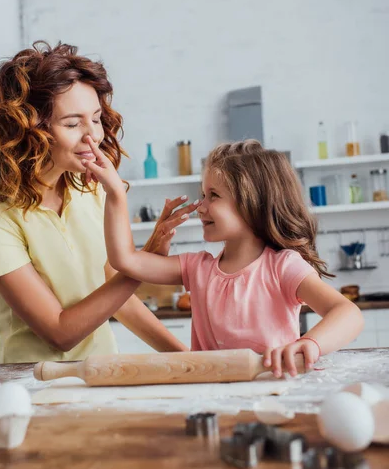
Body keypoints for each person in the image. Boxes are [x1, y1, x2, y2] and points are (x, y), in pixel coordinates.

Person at [82, 137, 365, 377]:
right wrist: (116, 193)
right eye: (202, 195)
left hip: (272, 393)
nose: (201, 207)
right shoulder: (197, 267)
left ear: (252, 203)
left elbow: (347, 313)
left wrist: (311, 344)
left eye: (213, 196)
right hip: (209, 396)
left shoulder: (283, 266)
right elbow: (124, 260)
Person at [0, 41, 198, 363]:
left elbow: (116, 296)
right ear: (28, 129)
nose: (93, 136)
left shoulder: (89, 189)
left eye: (97, 119)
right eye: (72, 124)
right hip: (32, 388)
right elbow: (61, 333)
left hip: (100, 375)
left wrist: (188, 359)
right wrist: (142, 261)